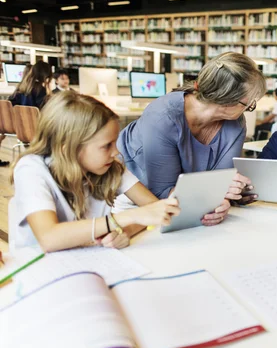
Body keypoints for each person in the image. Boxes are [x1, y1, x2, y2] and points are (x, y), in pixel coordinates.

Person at [10, 91, 181, 253]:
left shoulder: (109, 166)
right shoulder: (31, 169)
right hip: (39, 267)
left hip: (88, 260)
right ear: (69, 149)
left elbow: (153, 209)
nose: (116, 152)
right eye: (107, 145)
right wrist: (124, 218)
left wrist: (125, 231)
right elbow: (49, 238)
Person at [118, 52, 266, 222]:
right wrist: (210, 196)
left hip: (184, 204)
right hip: (128, 197)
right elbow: (161, 192)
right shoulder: (163, 117)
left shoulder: (235, 124)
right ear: (227, 101)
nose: (249, 108)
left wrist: (222, 202)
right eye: (249, 104)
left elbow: (221, 182)